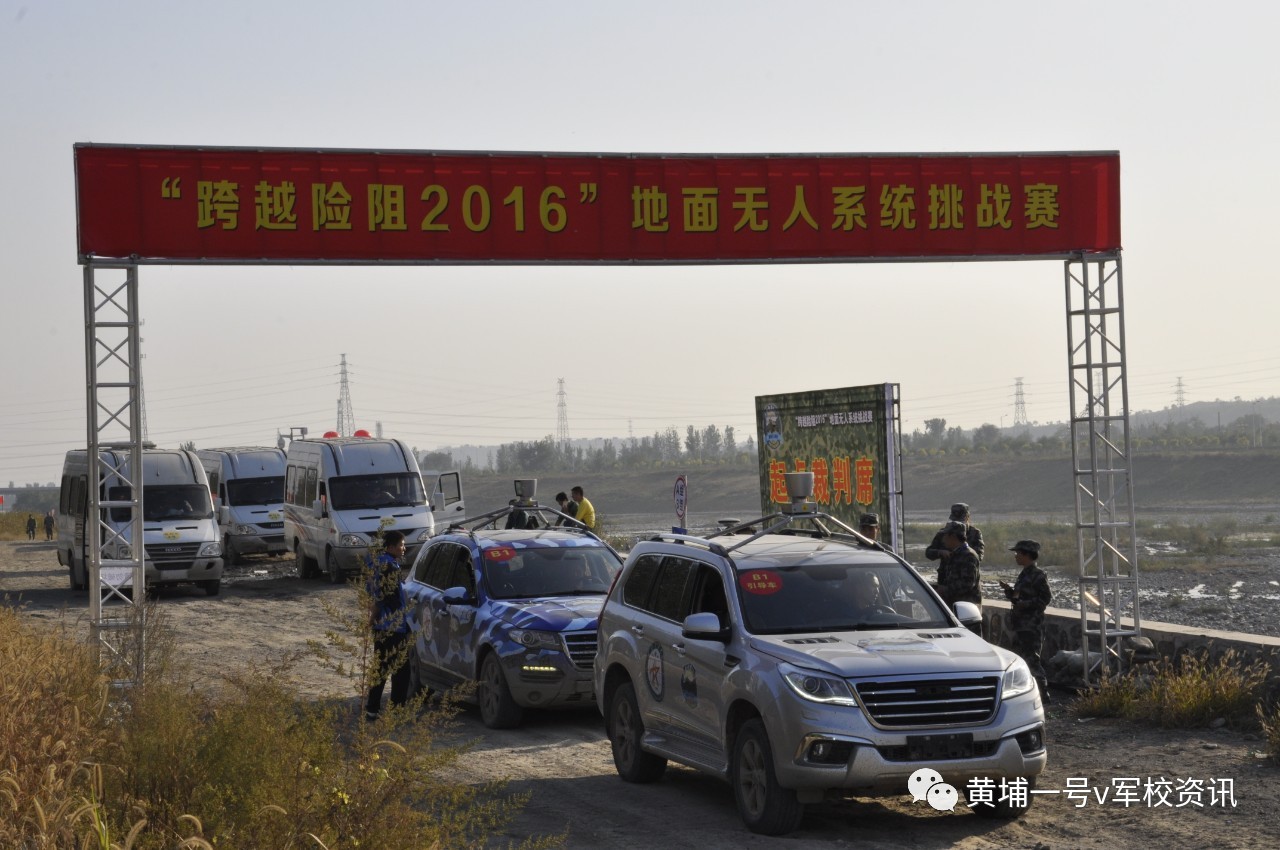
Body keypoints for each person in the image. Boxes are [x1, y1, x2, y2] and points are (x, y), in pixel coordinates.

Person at [365, 529, 413, 722]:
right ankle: (397, 710)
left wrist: (372, 620)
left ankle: (372, 709)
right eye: (401, 545)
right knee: (401, 670)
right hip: (394, 627)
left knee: (381, 668)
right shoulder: (389, 568)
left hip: (381, 627)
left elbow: (373, 596)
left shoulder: (378, 564)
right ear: (391, 547)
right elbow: (382, 598)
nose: (404, 548)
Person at [1000, 540, 1052, 702]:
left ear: (1027, 555)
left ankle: (1043, 695)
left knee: (1032, 660)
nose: (1016, 556)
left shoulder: (1038, 575)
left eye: (1019, 554)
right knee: (1022, 659)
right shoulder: (1025, 574)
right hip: (1021, 624)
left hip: (1031, 625)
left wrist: (1025, 604)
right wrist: (1009, 591)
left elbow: (1045, 599)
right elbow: (1019, 597)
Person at [933, 520, 981, 609]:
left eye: (945, 536)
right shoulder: (955, 553)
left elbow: (967, 584)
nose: (943, 540)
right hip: (955, 605)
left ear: (953, 537)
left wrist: (944, 589)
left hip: (967, 609)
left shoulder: (968, 555)